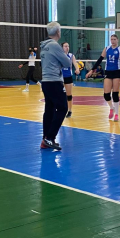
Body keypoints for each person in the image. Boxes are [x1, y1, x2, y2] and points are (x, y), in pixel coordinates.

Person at [38, 22, 72, 150]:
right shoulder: (54, 45)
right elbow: (67, 63)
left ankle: (45, 139)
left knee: (50, 110)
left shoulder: (44, 45)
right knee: (63, 108)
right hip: (54, 81)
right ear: (58, 32)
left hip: (46, 81)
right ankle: (50, 137)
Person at [86, 33, 120, 122]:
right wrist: (92, 70)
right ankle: (112, 108)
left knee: (115, 94)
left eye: (114, 39)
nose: (113, 41)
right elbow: (100, 60)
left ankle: (117, 114)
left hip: (117, 72)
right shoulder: (107, 49)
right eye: (111, 39)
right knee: (106, 95)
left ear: (118, 40)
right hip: (108, 72)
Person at [61, 42, 80, 118]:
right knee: (60, 94)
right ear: (62, 47)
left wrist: (77, 69)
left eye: (68, 46)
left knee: (69, 95)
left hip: (68, 77)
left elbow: (75, 64)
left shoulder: (71, 56)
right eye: (65, 46)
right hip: (60, 77)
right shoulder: (59, 55)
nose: (67, 47)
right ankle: (60, 109)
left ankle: (70, 111)